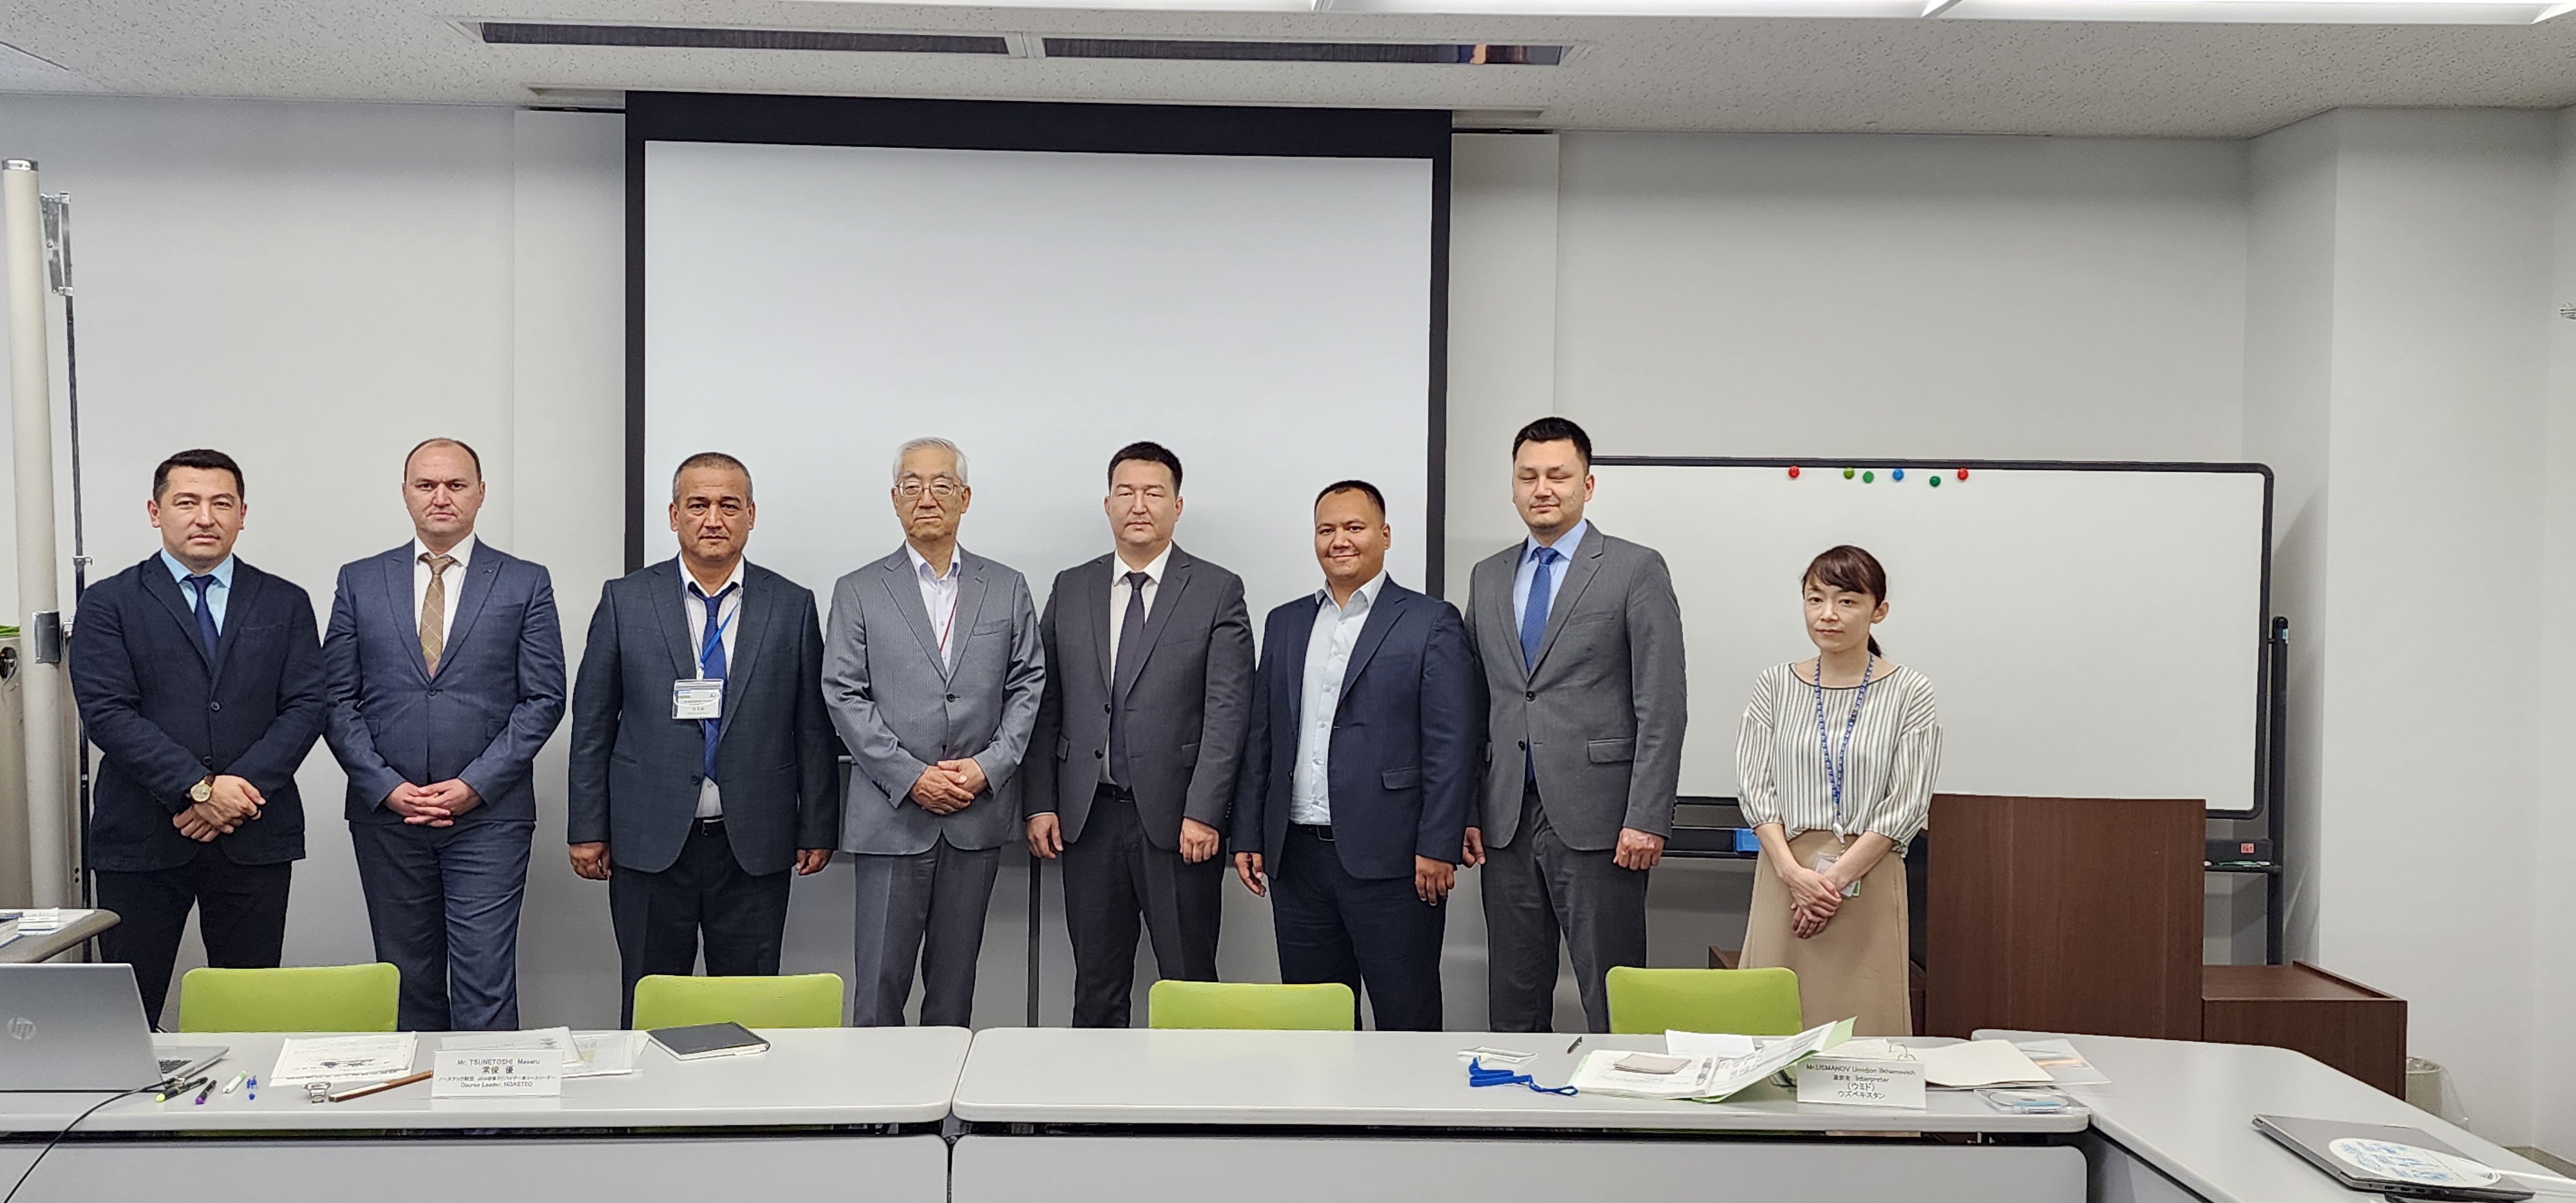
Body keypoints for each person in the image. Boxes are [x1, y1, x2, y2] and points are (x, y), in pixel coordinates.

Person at [566, 452, 841, 1025]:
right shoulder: (625, 600)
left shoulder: (791, 605)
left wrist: (817, 825)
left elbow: (812, 727)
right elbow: (593, 722)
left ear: (751, 516)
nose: (713, 519)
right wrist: (588, 827)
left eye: (728, 505)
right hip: (648, 840)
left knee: (747, 1008)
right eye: (698, 505)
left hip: (754, 843)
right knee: (650, 1002)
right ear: (674, 515)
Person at [69, 450, 326, 1026]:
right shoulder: (109, 602)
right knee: (127, 1016)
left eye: (221, 504)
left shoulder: (284, 601)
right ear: (155, 512)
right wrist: (199, 789)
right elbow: (107, 712)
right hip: (141, 836)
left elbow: (308, 705)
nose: (205, 517)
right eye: (187, 502)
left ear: (242, 515)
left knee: (249, 1012)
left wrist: (237, 793)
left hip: (253, 834)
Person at [323, 438, 566, 1032]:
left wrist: (474, 785)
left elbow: (544, 699)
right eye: (426, 485)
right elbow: (334, 698)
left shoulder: (525, 582)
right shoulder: (359, 581)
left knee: (485, 981)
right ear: (406, 493)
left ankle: (488, 1098)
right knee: (408, 981)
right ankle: (419, 1098)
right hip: (389, 817)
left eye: (456, 485)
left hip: (489, 817)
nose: (441, 497)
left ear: (480, 494)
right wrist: (386, 787)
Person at [1462, 417, 1687, 1034]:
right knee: (1513, 997)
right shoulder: (1487, 575)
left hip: (1603, 821)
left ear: (1587, 486)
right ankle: (1517, 1098)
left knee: (1612, 996)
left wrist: (1647, 816)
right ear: (1513, 487)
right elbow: (1476, 702)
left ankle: (1621, 1097)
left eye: (1558, 476)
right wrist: (1469, 809)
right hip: (1506, 817)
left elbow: (1662, 705)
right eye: (1528, 476)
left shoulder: (1635, 569)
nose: (1543, 489)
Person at [1231, 480, 1477, 1031]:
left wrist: (1438, 844)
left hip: (1395, 861)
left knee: (1406, 1018)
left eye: (1354, 527)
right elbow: (1262, 737)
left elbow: (1451, 743)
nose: (1339, 540)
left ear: (1384, 535)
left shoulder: (1429, 620)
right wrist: (1248, 832)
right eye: (1326, 530)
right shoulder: (1285, 622)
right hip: (1297, 858)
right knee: (1315, 1023)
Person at [1026, 442, 1253, 1028]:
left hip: (1179, 824)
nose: (1139, 505)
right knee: (1096, 988)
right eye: (1125, 492)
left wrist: (1205, 812)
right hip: (1088, 820)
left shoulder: (1217, 590)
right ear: (1107, 504)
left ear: (1177, 505)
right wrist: (1041, 803)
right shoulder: (1071, 587)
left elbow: (1228, 713)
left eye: (1154, 493)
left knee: (1188, 983)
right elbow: (1046, 704)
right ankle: (1095, 1093)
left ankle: (1194, 1092)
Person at [828, 437, 1043, 1027]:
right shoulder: (858, 589)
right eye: (913, 485)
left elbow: (1029, 684)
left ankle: (944, 1094)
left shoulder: (1007, 586)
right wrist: (912, 776)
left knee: (953, 993)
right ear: (895, 499)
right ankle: (877, 1094)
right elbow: (843, 693)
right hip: (892, 816)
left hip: (975, 816)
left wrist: (987, 768)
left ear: (965, 498)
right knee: (878, 991)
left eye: (942, 484)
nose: (927, 497)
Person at [1734, 545, 1941, 1036]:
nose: (1828, 614)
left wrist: (1830, 883)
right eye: (1816, 599)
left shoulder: (1911, 692)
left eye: (1847, 601)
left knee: (1863, 1028)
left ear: (1879, 610)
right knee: (1771, 1024)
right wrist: (1795, 876)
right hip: (1785, 873)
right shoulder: (1775, 685)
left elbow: (1907, 802)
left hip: (1868, 873)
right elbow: (1754, 787)